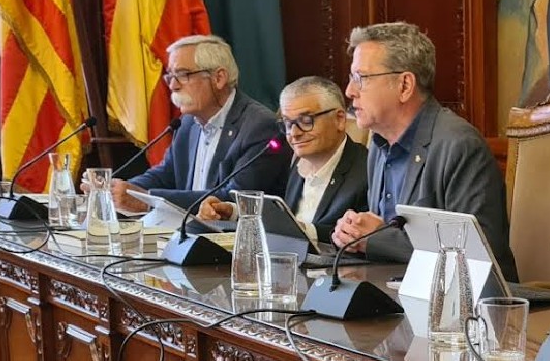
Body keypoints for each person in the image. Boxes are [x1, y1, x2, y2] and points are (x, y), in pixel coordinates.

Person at [330, 22, 518, 280]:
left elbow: (474, 256)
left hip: (465, 301)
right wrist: (353, 233)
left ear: (405, 86)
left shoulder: (460, 145)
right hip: (393, 290)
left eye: (361, 78)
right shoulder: (378, 145)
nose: (350, 91)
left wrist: (375, 238)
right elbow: (380, 234)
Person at [103, 35, 291, 211]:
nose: (173, 85)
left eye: (183, 74)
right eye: (170, 76)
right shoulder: (187, 124)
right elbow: (166, 174)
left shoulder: (260, 126)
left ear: (219, 78)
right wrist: (116, 191)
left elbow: (235, 199)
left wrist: (147, 200)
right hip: (187, 229)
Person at [196, 76, 368, 244]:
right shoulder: (296, 163)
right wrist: (233, 212)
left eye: (306, 121)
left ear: (339, 119)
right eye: (287, 123)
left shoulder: (366, 171)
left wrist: (298, 229)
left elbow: (353, 237)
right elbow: (281, 216)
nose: (294, 133)